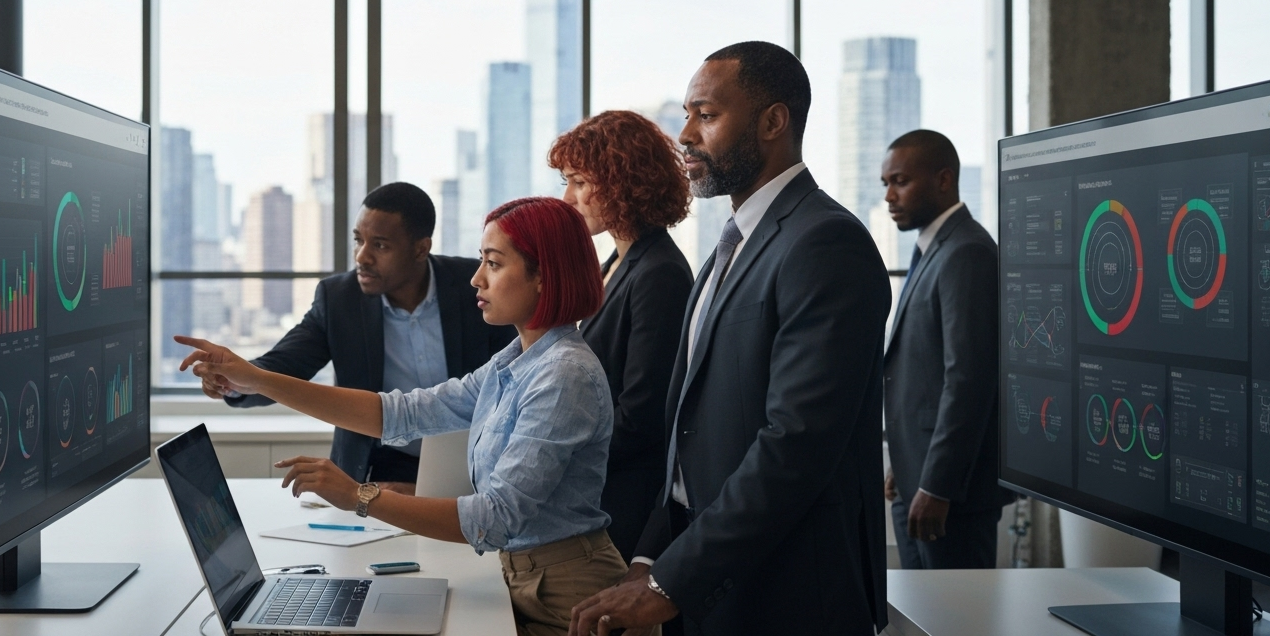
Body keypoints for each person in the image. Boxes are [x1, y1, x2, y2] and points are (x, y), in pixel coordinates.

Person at [178, 197, 624, 636]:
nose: (476, 279)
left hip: (567, 599)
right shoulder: (516, 360)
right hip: (520, 578)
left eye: (493, 263)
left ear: (543, 276)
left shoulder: (564, 374)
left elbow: (496, 518)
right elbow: (400, 412)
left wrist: (358, 495)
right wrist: (258, 379)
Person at [570, 41, 892, 636]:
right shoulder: (730, 245)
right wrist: (650, 559)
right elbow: (687, 435)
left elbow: (794, 445)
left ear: (773, 121)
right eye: (687, 115)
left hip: (791, 595)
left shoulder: (824, 243)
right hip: (712, 583)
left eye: (706, 115)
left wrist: (671, 580)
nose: (685, 135)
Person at [202, 182, 513, 491]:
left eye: (379, 245)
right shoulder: (339, 298)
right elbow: (284, 365)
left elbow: (515, 376)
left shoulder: (475, 286)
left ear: (421, 248)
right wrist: (233, 381)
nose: (362, 257)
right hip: (378, 468)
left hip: (472, 465)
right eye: (358, 241)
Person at [548, 110, 694, 563]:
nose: (568, 197)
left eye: (578, 182)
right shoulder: (615, 263)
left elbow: (642, 415)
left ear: (619, 181)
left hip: (624, 502)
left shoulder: (659, 272)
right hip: (597, 490)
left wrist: (555, 457)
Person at [880, 129, 1013, 570]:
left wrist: (938, 485)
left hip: (950, 494)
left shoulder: (967, 252)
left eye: (900, 181)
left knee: (959, 620)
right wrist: (905, 462)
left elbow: (969, 381)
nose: (890, 196)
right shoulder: (933, 249)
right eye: (885, 184)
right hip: (918, 481)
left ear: (943, 180)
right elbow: (924, 374)